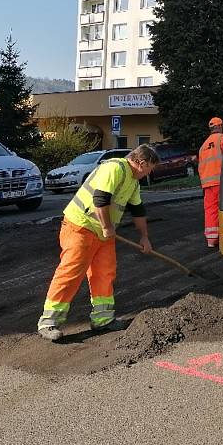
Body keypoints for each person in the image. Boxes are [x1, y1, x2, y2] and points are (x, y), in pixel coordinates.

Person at [37, 144, 159, 341]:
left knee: (105, 273)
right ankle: (49, 322)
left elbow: (138, 211)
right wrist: (108, 226)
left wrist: (144, 237)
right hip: (80, 226)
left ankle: (103, 320)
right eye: (150, 169)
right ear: (141, 163)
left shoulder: (133, 183)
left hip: (103, 233)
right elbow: (100, 199)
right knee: (71, 272)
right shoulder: (114, 168)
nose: (149, 173)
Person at [198, 117, 223, 248]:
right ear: (220, 126)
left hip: (207, 184)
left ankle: (211, 239)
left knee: (210, 210)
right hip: (221, 182)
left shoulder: (203, 146)